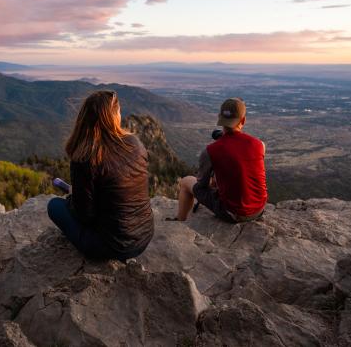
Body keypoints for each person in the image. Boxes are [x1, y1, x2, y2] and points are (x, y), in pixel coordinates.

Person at [47, 90, 154, 261]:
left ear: (84, 119)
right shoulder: (135, 143)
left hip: (112, 247)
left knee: (54, 206)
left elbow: (85, 216)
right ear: (115, 117)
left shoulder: (86, 157)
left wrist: (73, 200)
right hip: (144, 235)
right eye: (118, 112)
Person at [176, 98, 267, 222]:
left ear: (220, 119)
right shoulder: (260, 145)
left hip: (233, 214)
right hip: (259, 209)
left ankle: (180, 221)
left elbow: (202, 184)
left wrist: (214, 181)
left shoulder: (210, 151)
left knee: (186, 182)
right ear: (243, 120)